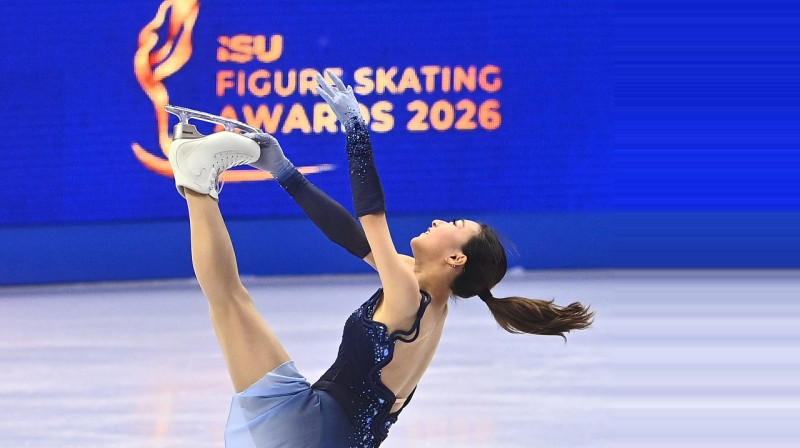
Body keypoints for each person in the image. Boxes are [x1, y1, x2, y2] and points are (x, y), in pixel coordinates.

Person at [167, 70, 594, 448]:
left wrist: (356, 131)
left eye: (454, 223)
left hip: (310, 430)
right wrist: (286, 173)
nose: (439, 220)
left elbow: (370, 215)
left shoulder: (409, 294)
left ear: (454, 258)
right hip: (324, 429)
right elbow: (352, 236)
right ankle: (195, 178)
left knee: (230, 300)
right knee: (231, 299)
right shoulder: (420, 289)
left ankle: (195, 181)